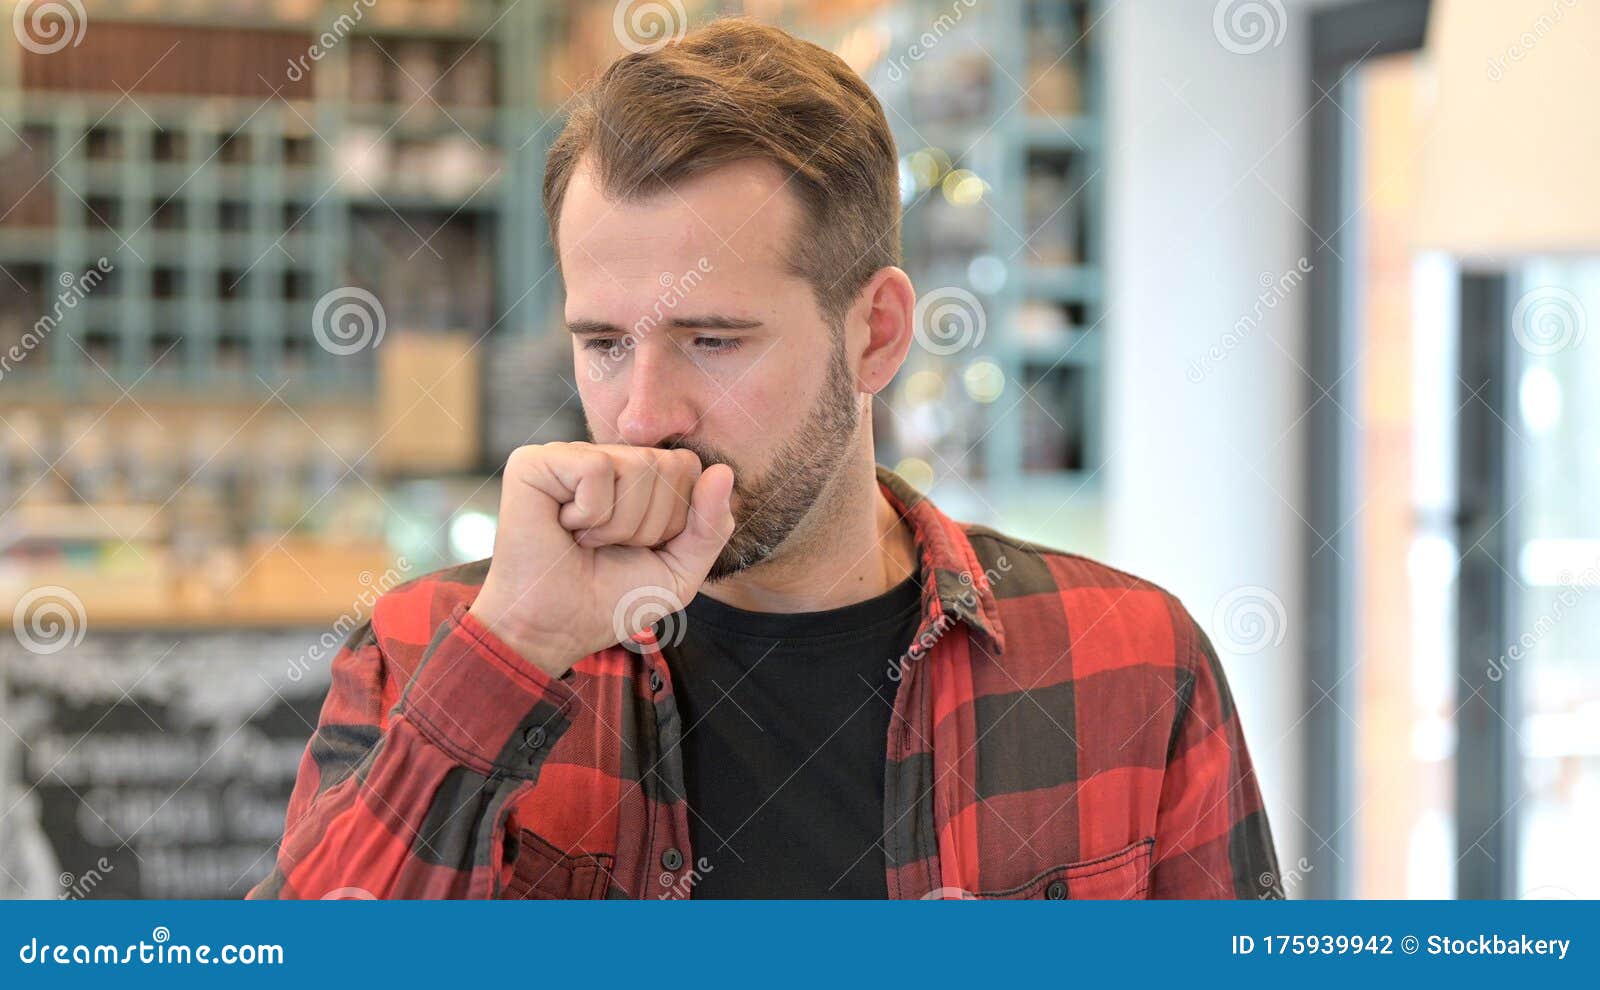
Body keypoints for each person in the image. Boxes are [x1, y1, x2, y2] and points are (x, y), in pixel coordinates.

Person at [251, 17, 1281, 900]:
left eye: (712, 340)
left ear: (875, 333)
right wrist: (511, 650)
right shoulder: (425, 651)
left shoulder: (1130, 662)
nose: (642, 416)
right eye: (603, 343)